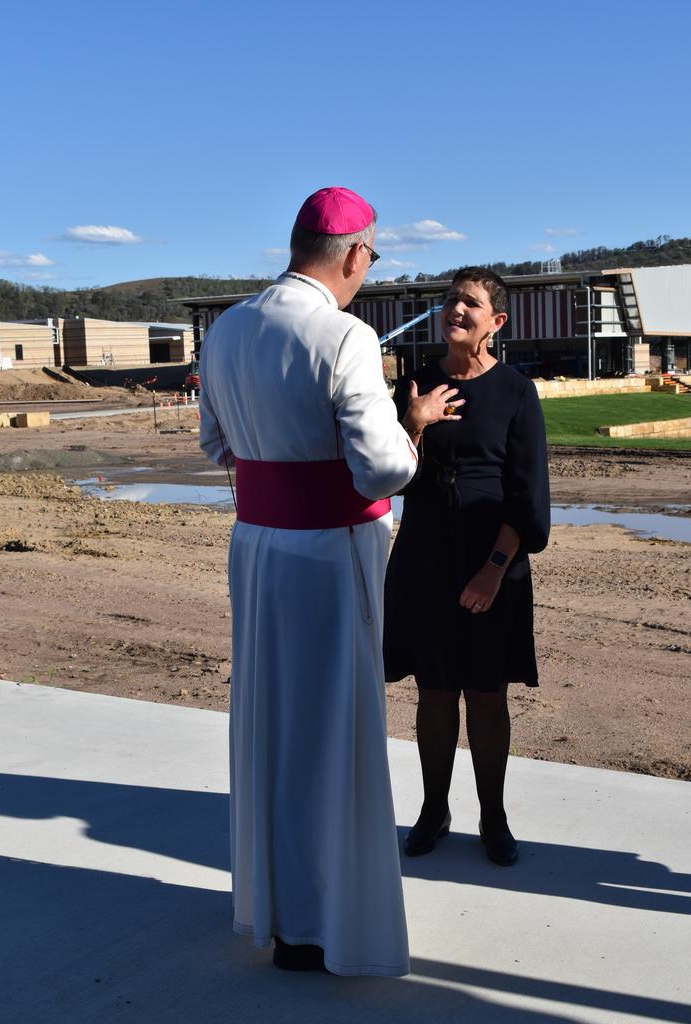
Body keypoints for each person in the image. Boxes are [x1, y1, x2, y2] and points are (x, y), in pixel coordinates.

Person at [198, 188, 446, 976]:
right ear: (352, 255)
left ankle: (275, 908)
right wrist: (414, 431)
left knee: (271, 725)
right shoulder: (345, 336)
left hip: (257, 548)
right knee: (335, 734)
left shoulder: (227, 328)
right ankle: (332, 920)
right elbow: (382, 469)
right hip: (331, 554)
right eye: (369, 262)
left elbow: (215, 446)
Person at [383, 267, 550, 866]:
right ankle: (434, 810)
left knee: (485, 692)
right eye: (451, 299)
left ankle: (494, 815)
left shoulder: (515, 392)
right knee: (434, 691)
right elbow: (386, 469)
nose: (456, 309)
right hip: (425, 556)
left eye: (471, 303)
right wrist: (414, 421)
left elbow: (527, 495)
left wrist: (494, 568)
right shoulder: (415, 384)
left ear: (495, 322)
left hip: (492, 560)